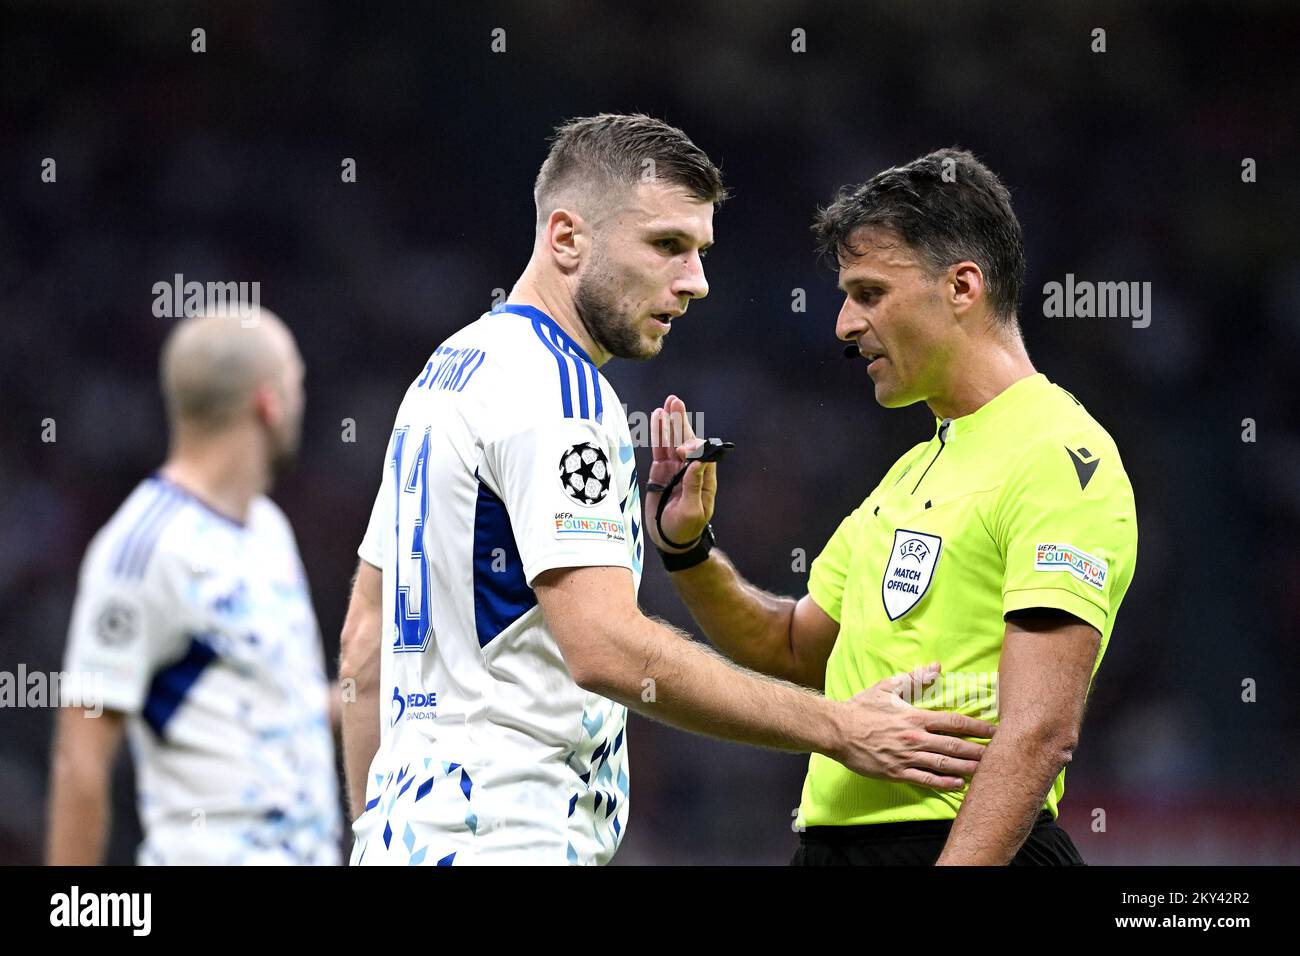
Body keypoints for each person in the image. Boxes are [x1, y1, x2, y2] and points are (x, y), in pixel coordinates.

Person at [340, 115, 994, 866]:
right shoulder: (561, 396)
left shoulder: (448, 371)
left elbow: (366, 637)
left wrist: (379, 830)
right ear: (566, 238)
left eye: (702, 251)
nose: (697, 281)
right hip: (512, 839)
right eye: (667, 246)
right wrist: (840, 727)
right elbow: (608, 649)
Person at [648, 148, 1138, 865]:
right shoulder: (910, 473)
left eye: (870, 293)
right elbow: (792, 648)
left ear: (963, 286)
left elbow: (1040, 731)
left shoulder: (1059, 454)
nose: (845, 325)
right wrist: (688, 552)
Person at [47, 307, 342, 865]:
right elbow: (79, 760)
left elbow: (280, 709)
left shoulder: (269, 528)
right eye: (297, 382)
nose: (302, 400)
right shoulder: (142, 548)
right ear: (268, 402)